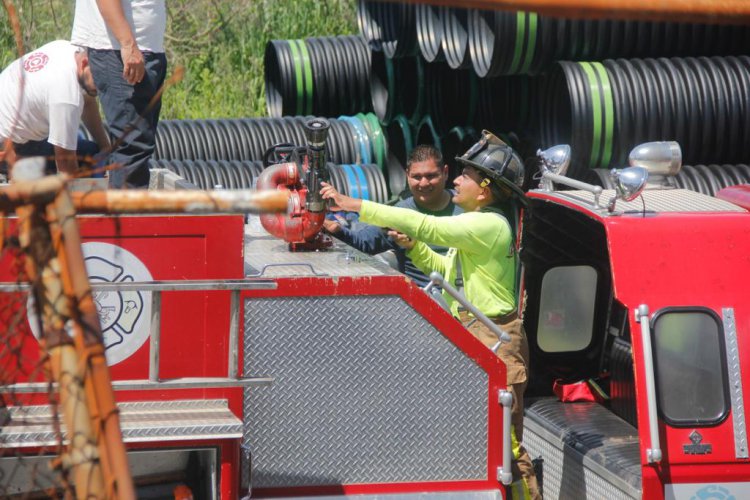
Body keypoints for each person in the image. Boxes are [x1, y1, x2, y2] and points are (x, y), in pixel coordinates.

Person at [321, 131, 540, 500]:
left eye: (465, 176)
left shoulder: (486, 224)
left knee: (508, 447)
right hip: (474, 335)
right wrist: (414, 248)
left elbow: (428, 224)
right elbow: (442, 267)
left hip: (494, 338)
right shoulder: (477, 223)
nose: (456, 180)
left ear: (484, 189)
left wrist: (353, 203)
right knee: (478, 440)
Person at [324, 145, 462, 287]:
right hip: (428, 299)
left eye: (431, 176)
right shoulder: (398, 213)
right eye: (416, 177)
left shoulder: (468, 206)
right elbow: (363, 243)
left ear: (445, 172)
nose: (424, 183)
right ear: (407, 175)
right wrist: (335, 229)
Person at [71, 0, 167, 188]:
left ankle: (126, 212)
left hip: (145, 48)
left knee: (137, 146)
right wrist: (128, 44)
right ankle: (129, 216)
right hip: (121, 50)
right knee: (132, 147)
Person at [0, 40, 109, 175]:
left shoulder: (69, 49)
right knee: (88, 155)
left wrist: (106, 148)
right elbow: (65, 163)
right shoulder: (66, 95)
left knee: (92, 149)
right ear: (85, 64)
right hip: (9, 147)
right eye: (100, 81)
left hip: (14, 128)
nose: (103, 89)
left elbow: (88, 101)